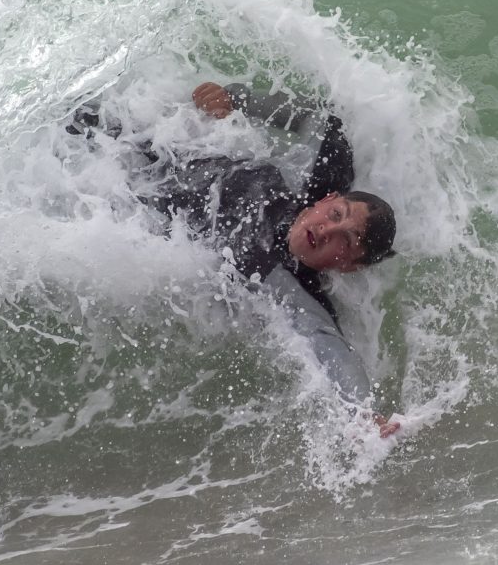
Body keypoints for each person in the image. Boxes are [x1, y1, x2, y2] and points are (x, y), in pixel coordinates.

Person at [68, 80, 401, 437]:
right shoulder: (322, 180)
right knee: (77, 110)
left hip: (133, 198)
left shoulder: (283, 280)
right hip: (168, 149)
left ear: (348, 266)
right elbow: (329, 118)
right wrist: (238, 99)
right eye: (336, 215)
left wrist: (364, 414)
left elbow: (325, 340)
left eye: (346, 241)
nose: (327, 230)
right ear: (328, 200)